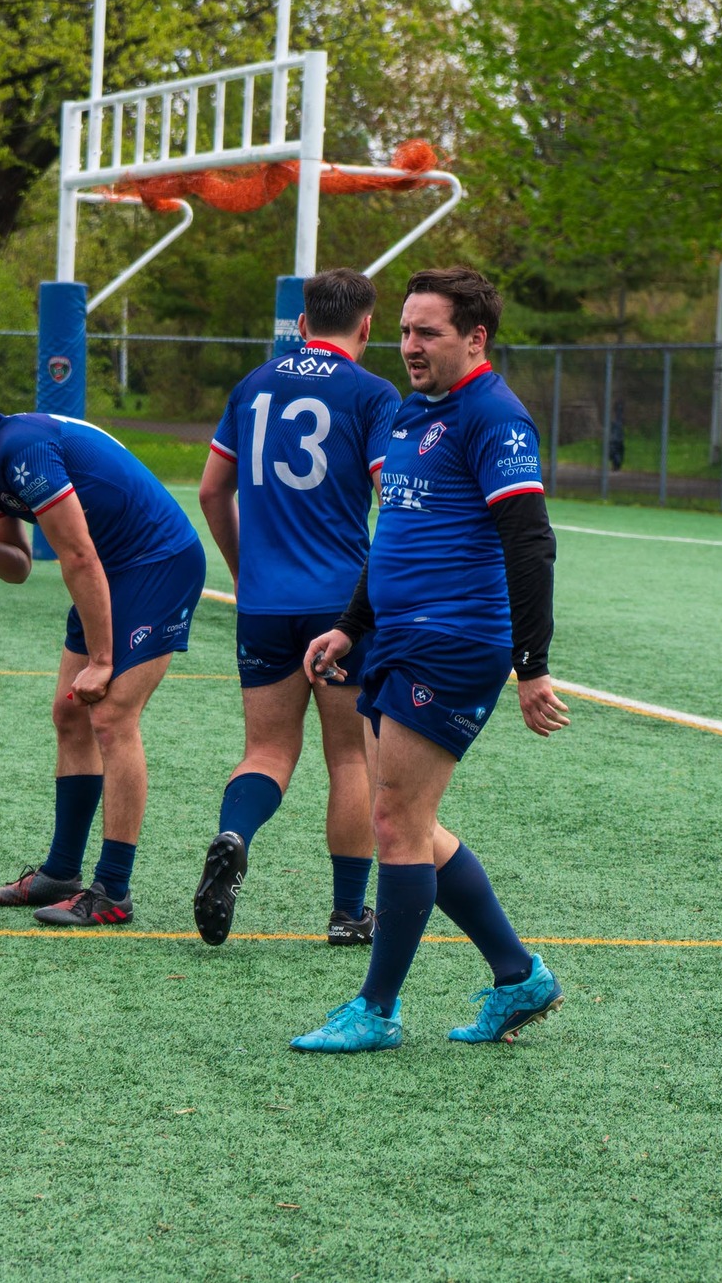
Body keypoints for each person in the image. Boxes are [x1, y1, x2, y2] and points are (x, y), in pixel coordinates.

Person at [291, 266, 571, 1054]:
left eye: (429, 332)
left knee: (394, 822)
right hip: (395, 637)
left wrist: (532, 664)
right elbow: (397, 537)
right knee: (414, 822)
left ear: (474, 337)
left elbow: (530, 541)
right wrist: (351, 625)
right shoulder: (417, 411)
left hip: (453, 641)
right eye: (406, 330)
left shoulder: (494, 418)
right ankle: (518, 975)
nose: (410, 346)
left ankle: (376, 1009)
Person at [0, 385, 206, 927]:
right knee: (68, 713)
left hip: (157, 562)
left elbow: (76, 554)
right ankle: (59, 874)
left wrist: (101, 660)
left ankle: (113, 891)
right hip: (109, 568)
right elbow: (18, 566)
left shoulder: (23, 451)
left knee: (112, 715)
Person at [193, 268, 401, 948]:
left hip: (264, 601)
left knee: (267, 749)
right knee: (349, 758)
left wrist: (243, 569)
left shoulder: (254, 385)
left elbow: (210, 491)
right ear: (366, 326)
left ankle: (234, 833)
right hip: (342, 607)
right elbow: (392, 504)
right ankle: (348, 913)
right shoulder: (372, 394)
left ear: (302, 323)